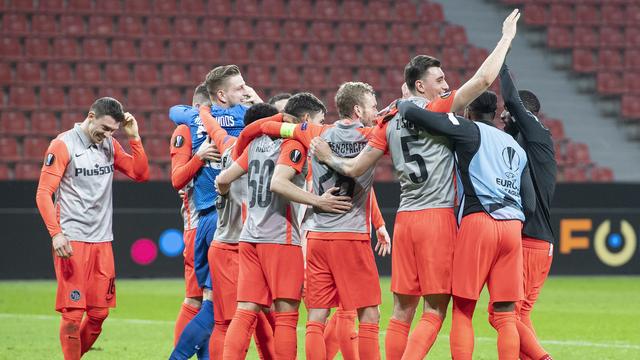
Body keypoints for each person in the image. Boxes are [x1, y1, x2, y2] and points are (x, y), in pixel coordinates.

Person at [310, 10, 522, 359]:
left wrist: (329, 158)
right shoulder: (437, 109)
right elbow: (484, 79)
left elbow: (355, 166)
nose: (446, 85)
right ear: (421, 87)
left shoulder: (388, 120)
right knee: (435, 311)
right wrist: (506, 38)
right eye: (439, 80)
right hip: (436, 218)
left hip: (405, 219)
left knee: (401, 312)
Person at [232, 83, 392, 359]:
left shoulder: (315, 132)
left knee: (315, 318)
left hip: (316, 236)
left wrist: (244, 141)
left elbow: (267, 129)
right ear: (357, 109)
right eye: (373, 106)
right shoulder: (372, 135)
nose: (376, 111)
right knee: (369, 314)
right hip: (351, 235)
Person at [216, 93, 352, 360]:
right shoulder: (293, 145)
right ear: (305, 120)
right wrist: (319, 202)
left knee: (245, 312)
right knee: (287, 316)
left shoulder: (256, 144)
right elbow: (278, 183)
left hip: (249, 237)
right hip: (281, 238)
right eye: (318, 121)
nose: (318, 128)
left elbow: (222, 180)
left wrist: (236, 199)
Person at [397, 97, 535, 360]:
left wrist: (403, 105)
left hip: (478, 221)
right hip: (512, 228)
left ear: (469, 111)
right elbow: (529, 204)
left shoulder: (468, 128)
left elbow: (417, 116)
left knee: (463, 309)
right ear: (495, 113)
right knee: (506, 316)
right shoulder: (516, 147)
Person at [35, 97, 149, 360]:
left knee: (99, 314)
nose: (108, 135)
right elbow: (43, 193)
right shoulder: (63, 145)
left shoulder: (109, 144)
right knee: (73, 315)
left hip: (102, 241)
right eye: (105, 128)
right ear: (91, 116)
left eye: (113, 131)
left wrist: (134, 138)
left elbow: (140, 174)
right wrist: (56, 234)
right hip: (72, 240)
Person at [169, 66, 261, 359]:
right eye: (240, 87)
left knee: (211, 301)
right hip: (227, 221)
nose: (245, 91)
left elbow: (175, 111)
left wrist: (204, 109)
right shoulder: (240, 118)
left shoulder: (194, 118)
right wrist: (256, 99)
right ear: (222, 94)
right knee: (220, 309)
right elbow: (275, 119)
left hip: (206, 220)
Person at [200, 102, 281, 359]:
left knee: (256, 318)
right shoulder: (267, 153)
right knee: (236, 320)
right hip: (238, 243)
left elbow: (215, 131)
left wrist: (202, 109)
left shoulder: (230, 146)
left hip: (232, 241)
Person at [497, 63, 556, 360]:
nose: (503, 119)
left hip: (530, 239)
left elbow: (511, 98)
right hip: (540, 242)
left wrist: (501, 59)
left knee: (502, 315)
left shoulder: (534, 131)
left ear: (522, 112)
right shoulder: (530, 141)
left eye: (507, 114)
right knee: (520, 314)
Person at [169, 84, 220, 352]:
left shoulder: (219, 129)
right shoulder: (185, 131)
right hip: (197, 224)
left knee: (213, 301)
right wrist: (199, 158)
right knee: (195, 299)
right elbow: (177, 179)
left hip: (219, 223)